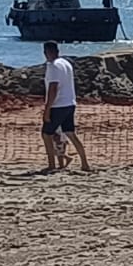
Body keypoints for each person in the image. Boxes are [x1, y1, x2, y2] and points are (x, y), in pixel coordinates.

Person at [41, 41, 89, 172]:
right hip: (70, 103)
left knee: (46, 134)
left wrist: (47, 109)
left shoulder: (53, 66)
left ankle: (51, 165)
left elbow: (53, 88)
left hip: (58, 105)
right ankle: (85, 163)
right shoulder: (66, 63)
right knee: (70, 133)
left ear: (47, 52)